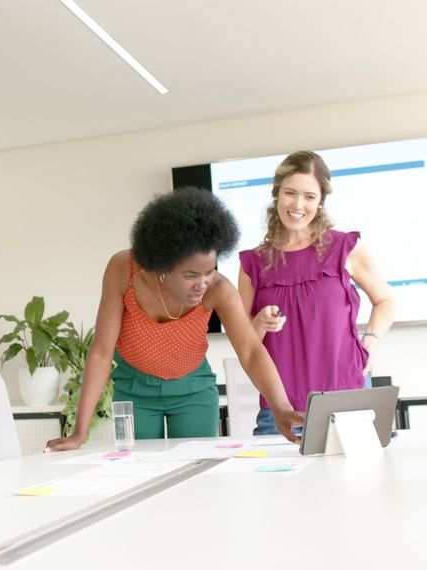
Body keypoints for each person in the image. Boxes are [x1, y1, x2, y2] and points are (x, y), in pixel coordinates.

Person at [45, 188, 302, 451]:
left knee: (195, 470)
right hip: (133, 391)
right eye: (191, 275)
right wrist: (78, 433)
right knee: (138, 471)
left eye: (209, 271)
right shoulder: (124, 270)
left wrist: (280, 408)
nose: (202, 284)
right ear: (161, 265)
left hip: (193, 391)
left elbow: (250, 351)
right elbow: (101, 351)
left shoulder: (218, 289)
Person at [238, 151, 395, 435]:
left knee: (359, 479)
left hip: (349, 396)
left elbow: (385, 300)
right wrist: (259, 323)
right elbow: (245, 344)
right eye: (290, 193)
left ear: (321, 200)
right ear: (277, 195)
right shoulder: (253, 263)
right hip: (281, 408)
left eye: (309, 196)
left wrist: (370, 340)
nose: (298, 204)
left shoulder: (346, 248)